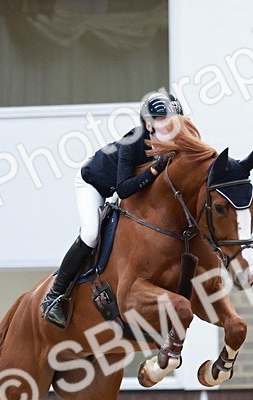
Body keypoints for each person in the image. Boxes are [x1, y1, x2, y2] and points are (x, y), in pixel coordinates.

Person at [40, 92, 183, 329]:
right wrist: (155, 170)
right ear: (148, 124)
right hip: (93, 183)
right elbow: (125, 188)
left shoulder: (176, 144)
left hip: (118, 189)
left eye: (174, 121)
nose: (170, 126)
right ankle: (54, 296)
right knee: (91, 234)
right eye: (162, 120)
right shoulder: (133, 142)